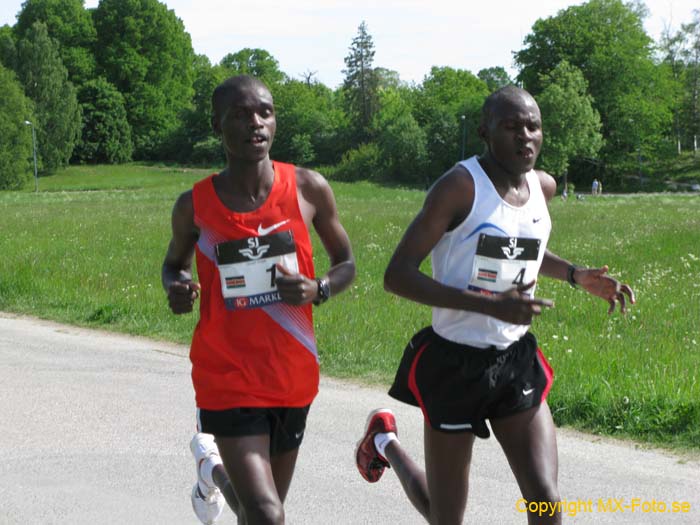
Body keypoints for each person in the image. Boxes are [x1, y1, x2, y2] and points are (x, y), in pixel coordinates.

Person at [354, 85, 635, 524]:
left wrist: (577, 275)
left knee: (546, 502)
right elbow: (397, 274)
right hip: (454, 362)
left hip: (513, 360)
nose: (525, 135)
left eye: (533, 126)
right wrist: (486, 306)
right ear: (485, 132)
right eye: (511, 126)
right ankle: (385, 441)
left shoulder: (543, 186)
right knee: (445, 516)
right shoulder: (459, 187)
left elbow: (523, 250)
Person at [163, 75, 355, 524]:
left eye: (264, 112)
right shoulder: (194, 206)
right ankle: (213, 468)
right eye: (241, 114)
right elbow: (174, 264)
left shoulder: (308, 188)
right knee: (269, 514)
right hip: (226, 373)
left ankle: (210, 470)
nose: (256, 123)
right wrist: (177, 287)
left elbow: (346, 262)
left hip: (291, 374)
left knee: (259, 512)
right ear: (217, 126)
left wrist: (318, 288)